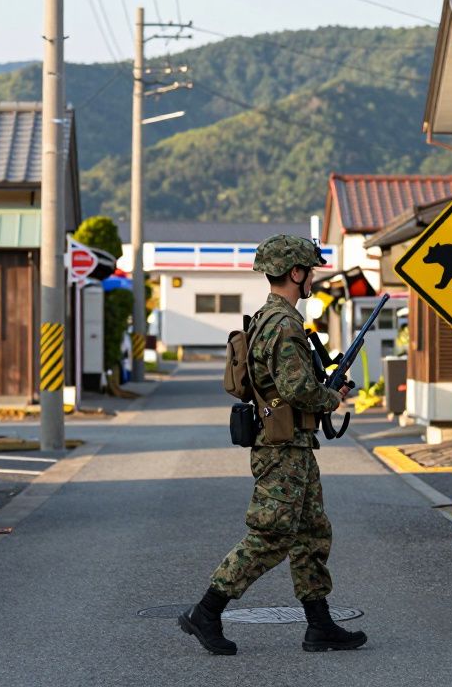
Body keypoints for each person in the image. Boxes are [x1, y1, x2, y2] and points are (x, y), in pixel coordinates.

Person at [179, 234, 367, 655]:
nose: (313, 277)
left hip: (292, 444)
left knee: (311, 533)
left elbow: (286, 383)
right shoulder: (284, 324)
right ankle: (206, 611)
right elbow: (297, 387)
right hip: (282, 448)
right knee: (270, 535)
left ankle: (319, 626)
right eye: (310, 271)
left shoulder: (269, 318)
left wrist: (325, 387)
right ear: (295, 273)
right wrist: (331, 396)